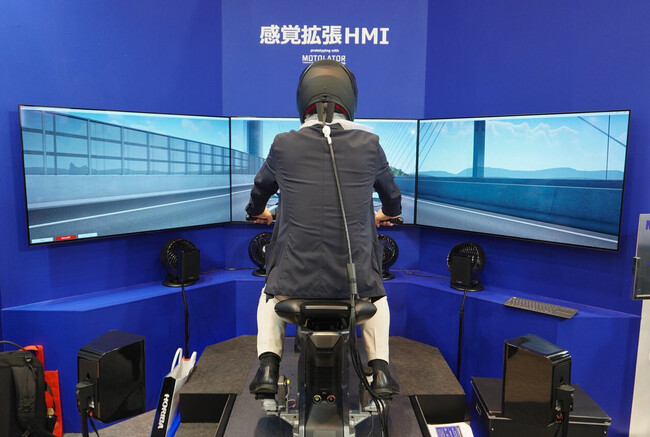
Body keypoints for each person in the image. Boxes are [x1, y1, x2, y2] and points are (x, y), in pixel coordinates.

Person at [245, 59, 401, 398]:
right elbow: (393, 199)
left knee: (269, 295)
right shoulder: (370, 144)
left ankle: (268, 367)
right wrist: (385, 214)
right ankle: (380, 371)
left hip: (294, 286)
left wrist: (259, 213)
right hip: (355, 287)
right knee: (379, 297)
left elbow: (259, 193)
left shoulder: (282, 144)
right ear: (349, 99)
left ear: (304, 100)